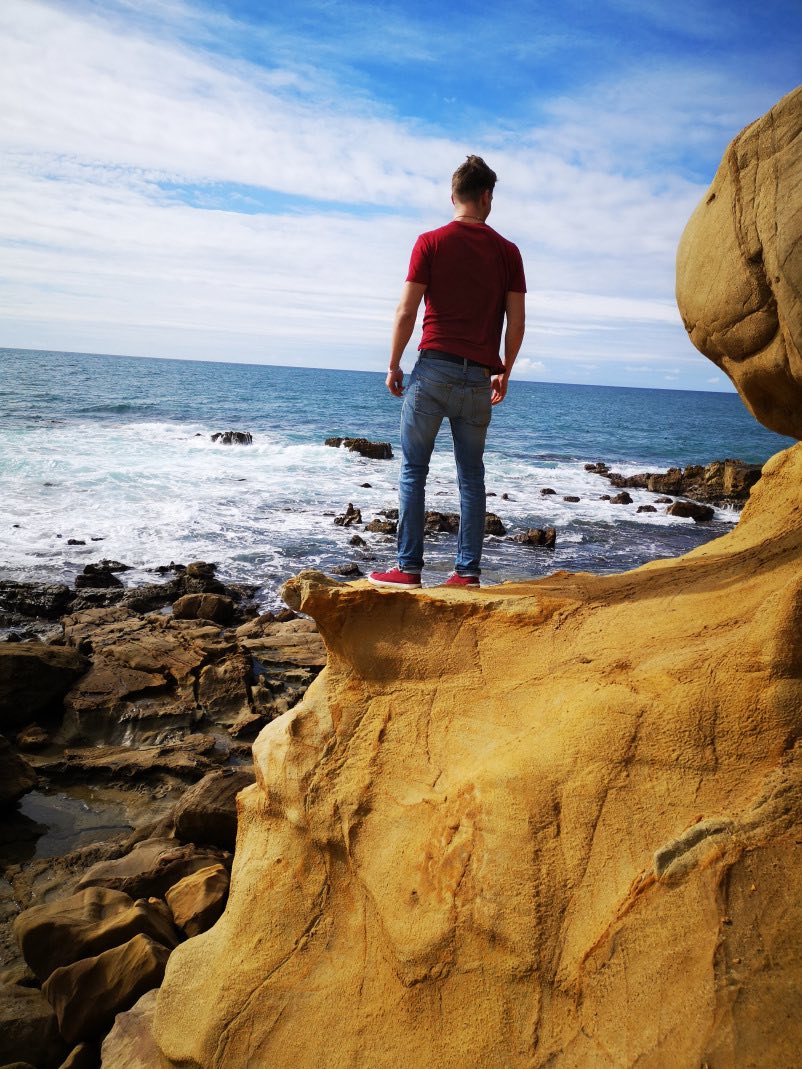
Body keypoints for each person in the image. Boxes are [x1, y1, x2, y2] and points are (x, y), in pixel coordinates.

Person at [368, 155, 526, 589]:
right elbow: (517, 321)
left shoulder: (430, 242)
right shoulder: (508, 252)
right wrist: (505, 371)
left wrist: (393, 362)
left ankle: (407, 569)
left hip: (432, 372)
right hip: (478, 378)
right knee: (471, 477)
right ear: (486, 196)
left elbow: (407, 309)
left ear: (453, 195)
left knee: (413, 471)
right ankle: (467, 573)